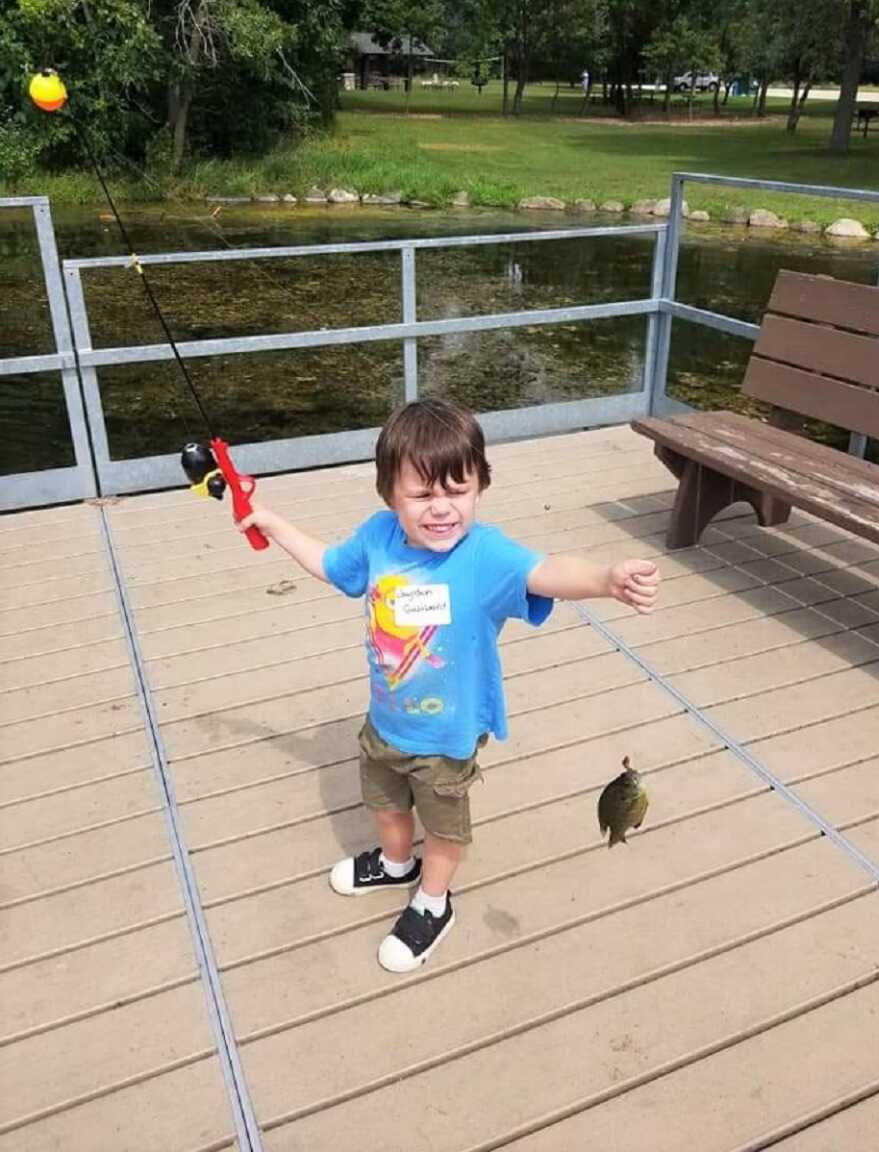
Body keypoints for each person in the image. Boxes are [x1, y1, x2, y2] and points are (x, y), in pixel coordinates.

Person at [240, 400, 660, 973]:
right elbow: (332, 564)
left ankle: (433, 903)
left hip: (448, 737)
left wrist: (604, 579)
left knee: (442, 828)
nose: (441, 509)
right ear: (389, 495)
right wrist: (275, 525)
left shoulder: (484, 553)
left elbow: (546, 570)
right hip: (386, 723)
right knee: (385, 806)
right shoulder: (378, 537)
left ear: (480, 487)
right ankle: (394, 865)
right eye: (420, 495)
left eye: (457, 491)